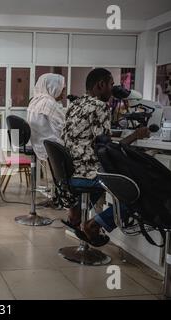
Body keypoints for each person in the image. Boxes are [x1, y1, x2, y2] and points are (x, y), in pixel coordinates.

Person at [61, 68, 150, 246]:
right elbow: (107, 150)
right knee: (136, 189)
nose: (112, 89)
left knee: (102, 182)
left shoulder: (75, 104)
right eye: (111, 84)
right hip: (87, 174)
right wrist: (136, 135)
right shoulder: (100, 107)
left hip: (71, 171)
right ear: (101, 85)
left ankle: (77, 212)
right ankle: (94, 225)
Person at [27, 73, 66, 161]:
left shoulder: (35, 100)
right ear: (53, 87)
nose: (64, 93)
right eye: (62, 89)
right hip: (51, 148)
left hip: (38, 145)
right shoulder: (49, 103)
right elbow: (64, 127)